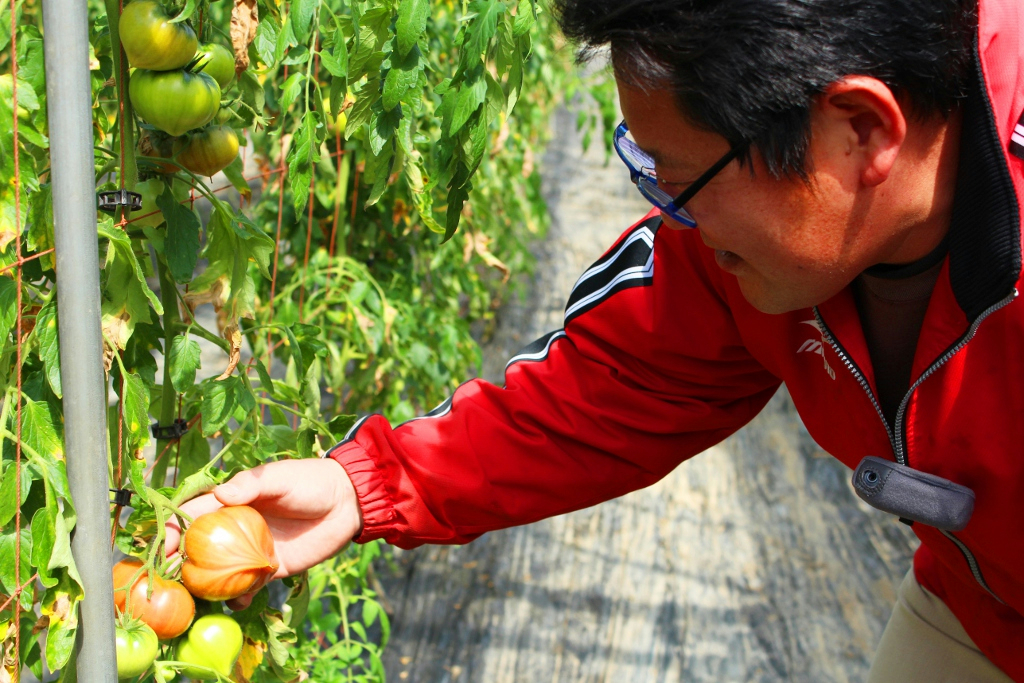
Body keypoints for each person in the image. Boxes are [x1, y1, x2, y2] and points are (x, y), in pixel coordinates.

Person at [166, 0, 1024, 678]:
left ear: (861, 132)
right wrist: (365, 486)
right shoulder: (741, 259)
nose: (671, 214)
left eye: (682, 178)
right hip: (980, 609)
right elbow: (612, 382)